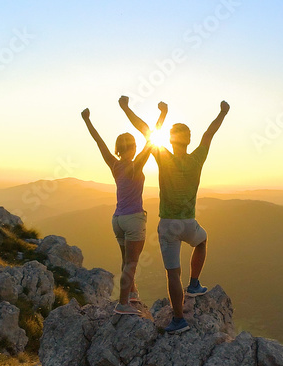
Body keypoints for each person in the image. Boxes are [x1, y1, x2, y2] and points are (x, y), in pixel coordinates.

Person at [121, 98, 230, 334]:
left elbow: (144, 131)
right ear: (189, 140)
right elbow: (209, 134)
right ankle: (194, 284)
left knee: (173, 273)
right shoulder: (197, 157)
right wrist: (222, 112)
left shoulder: (164, 157)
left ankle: (178, 320)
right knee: (201, 241)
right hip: (189, 222)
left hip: (168, 224)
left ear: (170, 140)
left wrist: (126, 108)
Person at [81, 100, 166, 315]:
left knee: (125, 261)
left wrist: (87, 120)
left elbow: (98, 141)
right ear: (135, 148)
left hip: (117, 220)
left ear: (117, 149)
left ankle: (132, 293)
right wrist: (162, 115)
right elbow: (151, 138)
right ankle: (122, 305)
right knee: (132, 263)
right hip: (134, 219)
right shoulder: (137, 164)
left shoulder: (114, 163)